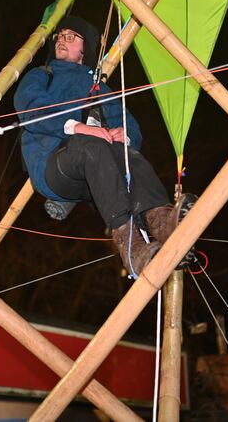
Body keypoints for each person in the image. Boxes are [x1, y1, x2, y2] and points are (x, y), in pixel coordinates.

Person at [13, 15, 185, 278]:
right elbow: (31, 107)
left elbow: (131, 126)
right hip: (53, 165)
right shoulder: (41, 75)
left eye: (72, 36)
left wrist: (122, 135)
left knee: (128, 153)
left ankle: (160, 220)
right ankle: (130, 246)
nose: (62, 39)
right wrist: (77, 126)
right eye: (61, 35)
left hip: (98, 176)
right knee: (90, 144)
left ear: (85, 51)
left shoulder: (100, 89)